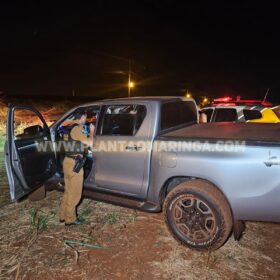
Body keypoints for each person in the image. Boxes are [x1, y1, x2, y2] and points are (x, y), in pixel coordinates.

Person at [59, 109, 95, 226]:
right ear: (82, 117)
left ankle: (62, 216)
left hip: (67, 162)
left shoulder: (67, 127)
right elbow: (91, 143)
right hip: (75, 164)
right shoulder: (79, 128)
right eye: (85, 117)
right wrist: (92, 131)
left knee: (68, 191)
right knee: (75, 194)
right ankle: (70, 219)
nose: (85, 120)